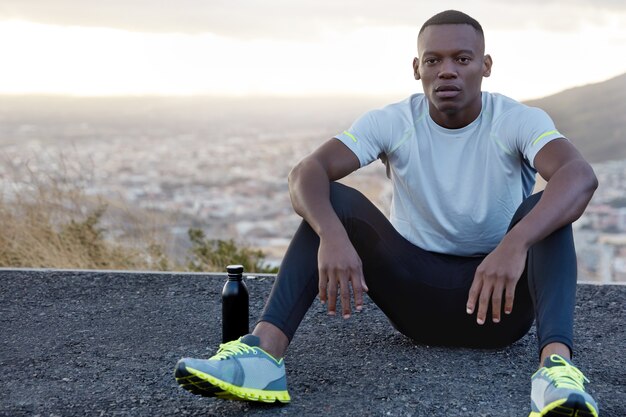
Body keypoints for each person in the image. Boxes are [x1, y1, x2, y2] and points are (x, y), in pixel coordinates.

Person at [174, 10, 600, 417]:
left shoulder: (516, 119)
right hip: (415, 299)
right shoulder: (396, 120)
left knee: (546, 214)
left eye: (462, 59)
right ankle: (263, 357)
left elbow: (578, 176)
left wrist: (514, 244)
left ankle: (556, 374)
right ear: (417, 68)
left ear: (485, 66)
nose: (447, 70)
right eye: (433, 60)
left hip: (500, 307)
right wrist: (332, 235)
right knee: (334, 201)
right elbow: (308, 171)